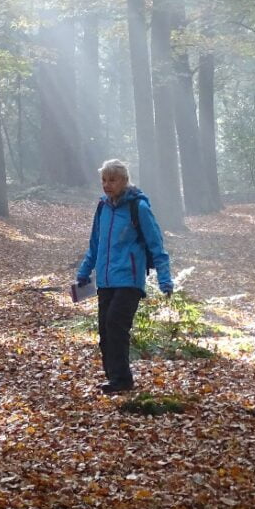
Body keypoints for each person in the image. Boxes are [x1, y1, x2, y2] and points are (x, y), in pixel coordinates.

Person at [76, 159, 173, 394]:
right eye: (104, 180)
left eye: (112, 180)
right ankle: (114, 378)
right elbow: (95, 244)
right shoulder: (102, 208)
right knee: (105, 330)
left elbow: (156, 244)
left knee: (115, 325)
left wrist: (165, 279)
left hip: (130, 279)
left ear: (124, 181)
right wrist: (84, 271)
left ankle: (122, 380)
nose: (107, 185)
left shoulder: (138, 207)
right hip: (106, 280)